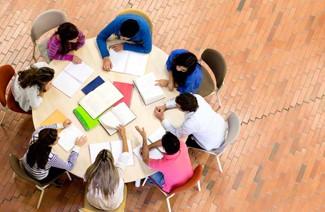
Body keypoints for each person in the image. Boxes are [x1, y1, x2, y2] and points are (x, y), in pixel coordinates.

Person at [154, 93, 227, 151]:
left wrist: (162, 119)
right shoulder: (196, 98)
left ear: (184, 110)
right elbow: (178, 101)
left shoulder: (191, 123)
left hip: (211, 142)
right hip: (220, 126)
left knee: (174, 141)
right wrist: (165, 106)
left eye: (177, 106)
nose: (175, 105)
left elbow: (176, 133)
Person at [21, 119, 87, 183]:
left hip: (25, 162)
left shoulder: (36, 134)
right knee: (62, 169)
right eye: (57, 139)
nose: (59, 137)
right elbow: (70, 166)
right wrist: (77, 146)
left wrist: (61, 125)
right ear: (51, 144)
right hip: (39, 176)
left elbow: (43, 128)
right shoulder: (50, 157)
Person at [85, 126, 131, 210]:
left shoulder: (89, 172)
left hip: (93, 202)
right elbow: (126, 154)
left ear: (96, 160)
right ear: (112, 161)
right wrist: (123, 136)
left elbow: (86, 180)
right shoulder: (118, 173)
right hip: (113, 206)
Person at [135, 126, 193, 193]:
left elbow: (145, 159)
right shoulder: (182, 145)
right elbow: (164, 142)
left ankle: (150, 180)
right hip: (188, 177)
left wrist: (144, 138)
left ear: (164, 148)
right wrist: (148, 147)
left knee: (148, 171)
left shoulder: (164, 164)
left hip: (172, 187)